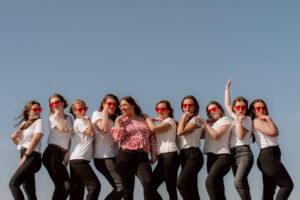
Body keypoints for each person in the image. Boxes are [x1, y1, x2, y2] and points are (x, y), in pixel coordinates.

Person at [111, 96, 157, 200]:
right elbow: (117, 138)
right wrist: (118, 122)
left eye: (125, 105)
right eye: (121, 106)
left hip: (142, 156)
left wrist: (154, 153)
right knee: (128, 190)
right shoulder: (121, 121)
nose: (122, 107)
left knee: (149, 183)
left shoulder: (144, 119)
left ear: (132, 106)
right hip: (125, 156)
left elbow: (152, 137)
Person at [249, 99, 293, 200]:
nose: (261, 110)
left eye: (263, 108)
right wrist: (268, 118)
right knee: (287, 185)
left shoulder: (262, 121)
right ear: (253, 111)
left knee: (269, 191)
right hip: (268, 157)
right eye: (258, 108)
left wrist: (266, 119)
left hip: (270, 157)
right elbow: (274, 132)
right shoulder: (256, 121)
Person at [144, 100, 179, 200]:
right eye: (157, 109)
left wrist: (146, 118)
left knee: (170, 188)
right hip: (162, 158)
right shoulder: (164, 122)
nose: (160, 111)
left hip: (170, 156)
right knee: (151, 187)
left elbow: (154, 129)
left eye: (163, 109)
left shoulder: (170, 121)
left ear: (168, 111)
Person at [224, 78, 254, 200]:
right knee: (243, 184)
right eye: (237, 107)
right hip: (233, 154)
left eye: (243, 107)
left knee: (238, 183)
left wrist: (240, 122)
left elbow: (240, 136)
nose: (240, 109)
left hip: (244, 153)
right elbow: (227, 104)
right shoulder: (235, 116)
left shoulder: (247, 120)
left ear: (246, 108)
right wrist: (227, 88)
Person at [9, 100, 45, 200]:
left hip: (33, 157)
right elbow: (20, 146)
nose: (38, 111)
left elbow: (36, 139)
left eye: (39, 109)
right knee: (30, 193)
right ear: (29, 111)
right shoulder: (24, 125)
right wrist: (13, 139)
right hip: (24, 155)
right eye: (35, 109)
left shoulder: (39, 122)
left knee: (13, 184)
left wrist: (25, 157)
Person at [92, 94, 124, 200]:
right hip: (103, 157)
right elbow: (104, 129)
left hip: (113, 157)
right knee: (120, 187)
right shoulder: (97, 114)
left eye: (114, 104)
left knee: (120, 188)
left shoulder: (112, 121)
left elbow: (117, 139)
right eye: (109, 103)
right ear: (103, 104)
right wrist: (105, 111)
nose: (112, 106)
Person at [42, 94, 73, 200]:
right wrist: (57, 115)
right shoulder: (52, 118)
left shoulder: (69, 118)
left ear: (62, 103)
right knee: (60, 186)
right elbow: (64, 129)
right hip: (51, 154)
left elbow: (69, 137)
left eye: (56, 102)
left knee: (68, 187)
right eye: (52, 104)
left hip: (61, 154)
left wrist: (67, 154)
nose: (54, 105)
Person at [69, 99, 100, 200]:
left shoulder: (79, 121)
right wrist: (89, 120)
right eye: (80, 109)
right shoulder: (80, 121)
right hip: (79, 160)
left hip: (77, 159)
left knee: (77, 192)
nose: (83, 111)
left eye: (85, 108)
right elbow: (91, 133)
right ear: (74, 111)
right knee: (94, 186)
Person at [203, 101, 232, 200]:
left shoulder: (225, 120)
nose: (212, 112)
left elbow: (216, 135)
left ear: (219, 109)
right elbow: (201, 135)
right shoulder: (211, 125)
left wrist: (205, 124)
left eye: (214, 109)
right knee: (217, 187)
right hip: (211, 157)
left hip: (222, 156)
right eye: (209, 111)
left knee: (209, 182)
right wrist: (207, 124)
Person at [176, 95, 204, 200]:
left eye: (190, 105)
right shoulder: (185, 122)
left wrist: (183, 117)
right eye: (185, 105)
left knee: (181, 183)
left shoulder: (196, 119)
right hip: (183, 155)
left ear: (195, 107)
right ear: (182, 107)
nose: (187, 107)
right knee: (191, 187)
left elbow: (180, 132)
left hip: (193, 154)